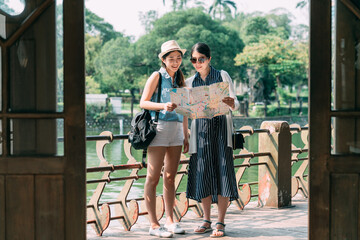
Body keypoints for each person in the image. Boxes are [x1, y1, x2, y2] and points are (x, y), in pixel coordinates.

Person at [185, 42, 240, 238]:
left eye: (201, 59)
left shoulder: (222, 75)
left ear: (209, 59)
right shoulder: (190, 82)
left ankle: (221, 222)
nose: (197, 63)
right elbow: (188, 110)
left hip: (220, 131)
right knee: (203, 174)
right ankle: (206, 220)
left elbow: (235, 103)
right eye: (194, 60)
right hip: (200, 132)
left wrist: (231, 102)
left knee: (223, 173)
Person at [140, 40, 189, 238]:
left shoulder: (180, 79)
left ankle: (170, 220)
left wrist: (186, 134)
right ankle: (153, 224)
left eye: (178, 58)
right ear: (163, 59)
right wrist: (163, 106)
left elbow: (185, 110)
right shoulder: (156, 76)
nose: (175, 62)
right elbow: (143, 102)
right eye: (171, 59)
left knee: (170, 177)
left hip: (176, 131)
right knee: (152, 178)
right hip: (158, 129)